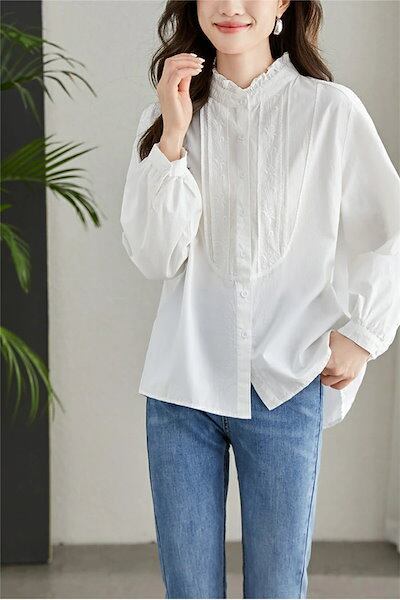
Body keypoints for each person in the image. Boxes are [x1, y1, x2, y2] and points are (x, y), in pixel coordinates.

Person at [120, 1, 400, 598]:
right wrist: (173, 134)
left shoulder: (330, 112)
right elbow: (154, 256)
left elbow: (391, 229)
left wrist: (364, 334)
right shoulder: (168, 115)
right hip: (182, 389)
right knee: (189, 592)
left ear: (282, 4)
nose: (230, 6)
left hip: (286, 384)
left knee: (277, 589)